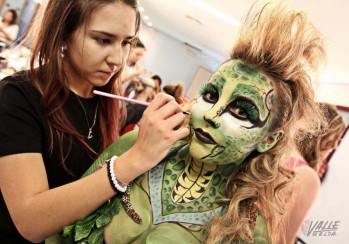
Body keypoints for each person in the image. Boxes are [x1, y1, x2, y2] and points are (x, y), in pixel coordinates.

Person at [59, 1, 326, 243]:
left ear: (268, 139)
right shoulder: (137, 147)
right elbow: (60, 226)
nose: (211, 114)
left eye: (241, 112)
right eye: (210, 95)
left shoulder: (248, 231)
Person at [0, 0, 189, 243]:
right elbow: (30, 222)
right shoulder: (18, 96)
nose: (118, 59)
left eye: (126, 43)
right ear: (64, 33)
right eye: (103, 40)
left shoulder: (111, 106)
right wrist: (134, 159)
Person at [296, 103, 346, 181]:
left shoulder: (320, 168)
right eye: (335, 138)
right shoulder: (300, 169)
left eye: (338, 140)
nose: (334, 146)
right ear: (318, 133)